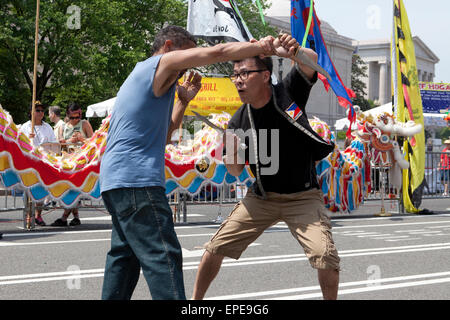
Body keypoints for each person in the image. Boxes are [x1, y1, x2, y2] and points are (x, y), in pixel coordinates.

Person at [99, 25, 285, 300]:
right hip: (137, 181)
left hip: (116, 182)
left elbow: (163, 137)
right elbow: (217, 52)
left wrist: (183, 102)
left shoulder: (148, 81)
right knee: (164, 256)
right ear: (170, 46)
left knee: (124, 259)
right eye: (188, 55)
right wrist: (261, 48)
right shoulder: (159, 63)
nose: (190, 65)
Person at [191, 34, 340, 300]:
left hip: (303, 197)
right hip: (261, 197)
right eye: (235, 75)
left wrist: (290, 51)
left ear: (264, 75)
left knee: (324, 255)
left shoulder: (287, 92)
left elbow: (312, 60)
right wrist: (231, 150)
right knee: (214, 247)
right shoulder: (238, 120)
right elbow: (236, 171)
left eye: (244, 73)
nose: (237, 79)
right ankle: (195, 302)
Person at [51, 102, 94, 227]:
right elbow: (60, 144)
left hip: (81, 162)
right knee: (68, 189)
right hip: (67, 162)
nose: (75, 120)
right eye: (72, 117)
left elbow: (94, 141)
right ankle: (76, 217)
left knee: (74, 188)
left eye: (77, 117)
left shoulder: (84, 124)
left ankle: (64, 218)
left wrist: (82, 139)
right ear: (68, 115)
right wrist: (67, 141)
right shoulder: (62, 127)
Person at [19, 101, 58, 226]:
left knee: (42, 189)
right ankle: (28, 215)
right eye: (37, 110)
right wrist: (27, 138)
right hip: (29, 163)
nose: (41, 113)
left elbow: (54, 144)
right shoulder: (25, 127)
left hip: (44, 162)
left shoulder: (47, 127)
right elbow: (19, 143)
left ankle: (38, 215)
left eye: (42, 111)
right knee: (29, 190)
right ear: (31, 112)